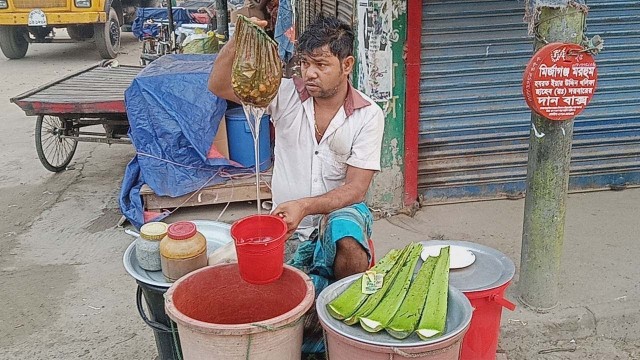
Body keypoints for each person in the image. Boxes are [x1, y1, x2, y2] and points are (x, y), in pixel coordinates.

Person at [209, 16, 385, 356]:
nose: (309, 73)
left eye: (321, 64)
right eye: (304, 63)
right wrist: (239, 37)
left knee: (345, 233)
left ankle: (346, 310)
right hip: (284, 228)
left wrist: (305, 205)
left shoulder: (368, 116)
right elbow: (218, 85)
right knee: (262, 299)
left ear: (347, 65)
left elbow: (356, 189)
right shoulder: (285, 94)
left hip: (333, 216)